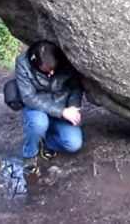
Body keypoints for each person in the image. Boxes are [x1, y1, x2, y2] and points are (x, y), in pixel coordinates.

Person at [15, 40, 84, 175]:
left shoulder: (65, 60)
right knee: (39, 123)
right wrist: (61, 112)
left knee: (74, 144)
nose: (52, 73)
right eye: (47, 70)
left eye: (54, 69)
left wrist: (74, 107)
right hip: (37, 107)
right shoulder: (23, 63)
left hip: (61, 104)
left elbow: (76, 87)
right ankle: (30, 154)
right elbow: (28, 97)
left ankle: (46, 141)